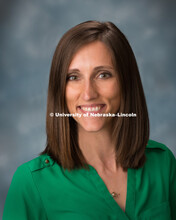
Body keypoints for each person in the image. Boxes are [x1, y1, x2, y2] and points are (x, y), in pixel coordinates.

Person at [3, 21, 176, 220]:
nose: (88, 94)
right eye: (73, 77)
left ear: (126, 82)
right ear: (60, 90)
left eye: (103, 75)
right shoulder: (30, 182)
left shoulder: (163, 163)